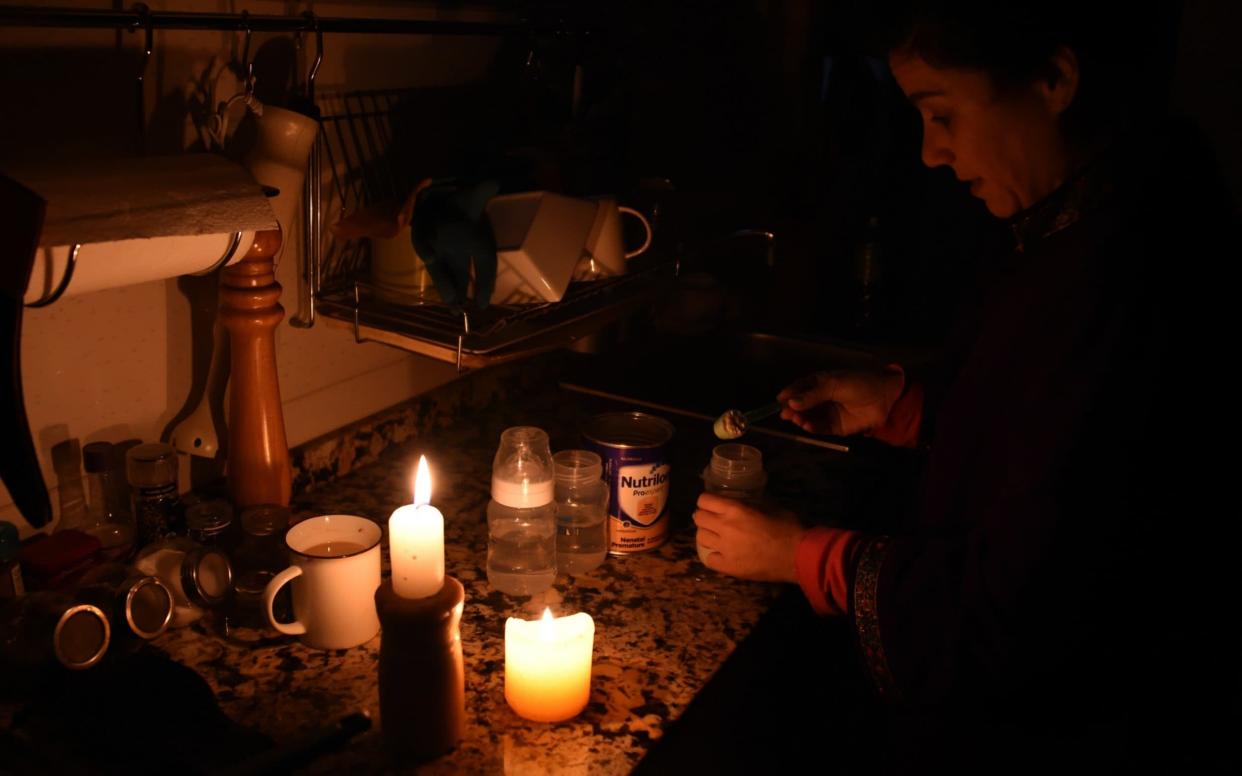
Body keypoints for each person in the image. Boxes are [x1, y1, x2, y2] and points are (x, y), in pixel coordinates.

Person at [691, 2, 1235, 771]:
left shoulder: (1130, 274)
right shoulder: (1082, 219)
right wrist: (910, 406)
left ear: (1054, 78)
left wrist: (799, 555)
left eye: (941, 114)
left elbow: (1029, 606)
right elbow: (1043, 429)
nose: (930, 154)